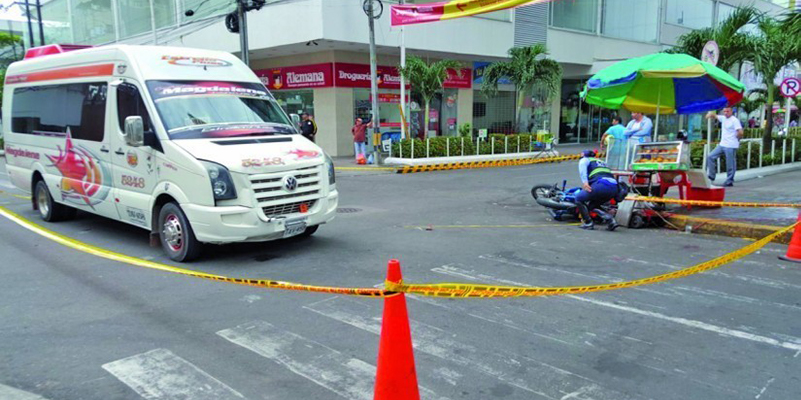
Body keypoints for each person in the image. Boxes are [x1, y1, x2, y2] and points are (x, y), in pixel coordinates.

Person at [575, 150, 619, 231]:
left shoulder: (585, 160)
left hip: (602, 185)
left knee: (578, 198)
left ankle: (588, 223)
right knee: (593, 205)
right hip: (614, 188)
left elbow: (582, 172)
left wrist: (585, 183)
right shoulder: (601, 162)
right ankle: (611, 220)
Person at [706, 107, 743, 187]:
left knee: (730, 164)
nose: (726, 113)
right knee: (710, 156)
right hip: (722, 144)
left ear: (731, 111)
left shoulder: (734, 120)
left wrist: (737, 138)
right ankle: (711, 176)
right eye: (724, 111)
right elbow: (715, 116)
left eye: (727, 111)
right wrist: (710, 114)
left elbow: (740, 132)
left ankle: (729, 180)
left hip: (731, 145)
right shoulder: (723, 118)